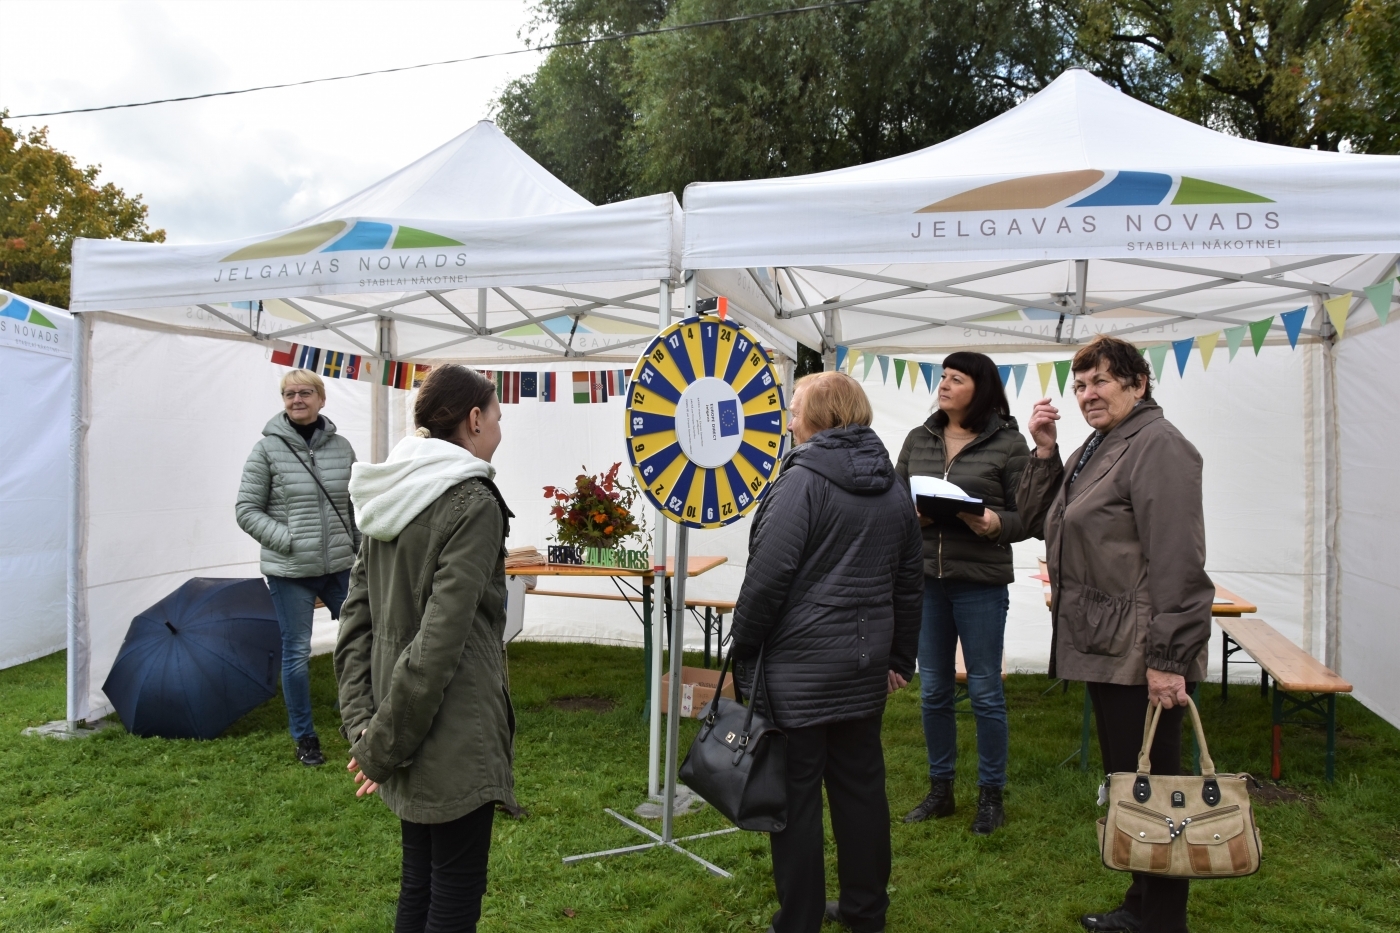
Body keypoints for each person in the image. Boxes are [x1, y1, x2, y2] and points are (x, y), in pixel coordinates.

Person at [1017, 335, 1213, 933]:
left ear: (1137, 383)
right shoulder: (1101, 444)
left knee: (1157, 786)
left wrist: (1169, 659)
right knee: (1133, 782)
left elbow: (1178, 560)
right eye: (1079, 385)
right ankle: (1142, 904)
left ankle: (1161, 918)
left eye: (1100, 381)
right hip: (1104, 642)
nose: (1087, 394)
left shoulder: (1159, 446)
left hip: (1139, 650)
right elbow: (1040, 521)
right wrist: (1046, 453)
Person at [728, 371, 923, 933]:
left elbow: (767, 579)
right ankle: (866, 911)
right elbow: (910, 582)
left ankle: (800, 919)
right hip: (862, 672)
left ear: (821, 415)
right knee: (862, 791)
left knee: (795, 802)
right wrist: (896, 658)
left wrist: (742, 645)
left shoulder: (802, 481)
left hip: (799, 676)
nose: (788, 418)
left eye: (794, 408)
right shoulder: (892, 486)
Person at [335, 364, 515, 933]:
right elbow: (439, 641)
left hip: (400, 719)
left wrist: (369, 729)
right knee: (452, 890)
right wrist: (378, 741)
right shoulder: (471, 501)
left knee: (422, 880)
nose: (500, 432)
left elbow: (353, 626)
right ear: (475, 419)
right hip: (446, 727)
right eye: (499, 418)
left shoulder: (391, 489)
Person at [896, 351, 1032, 835]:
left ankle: (990, 796)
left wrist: (996, 523)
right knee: (932, 689)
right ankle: (941, 790)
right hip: (925, 583)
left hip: (980, 583)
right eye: (943, 377)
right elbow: (894, 500)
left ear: (982, 388)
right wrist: (910, 516)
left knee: (984, 690)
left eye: (957, 378)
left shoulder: (1010, 444)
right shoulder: (919, 438)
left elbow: (1029, 516)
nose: (945, 385)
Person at [236, 368, 359, 767]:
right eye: (289, 394)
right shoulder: (266, 450)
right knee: (295, 654)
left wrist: (360, 551)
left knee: (363, 640)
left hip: (340, 566)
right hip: (290, 572)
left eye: (305, 392)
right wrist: (288, 541)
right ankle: (305, 737)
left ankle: (357, 720)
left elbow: (354, 505)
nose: (296, 399)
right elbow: (246, 510)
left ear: (322, 398)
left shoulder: (342, 448)